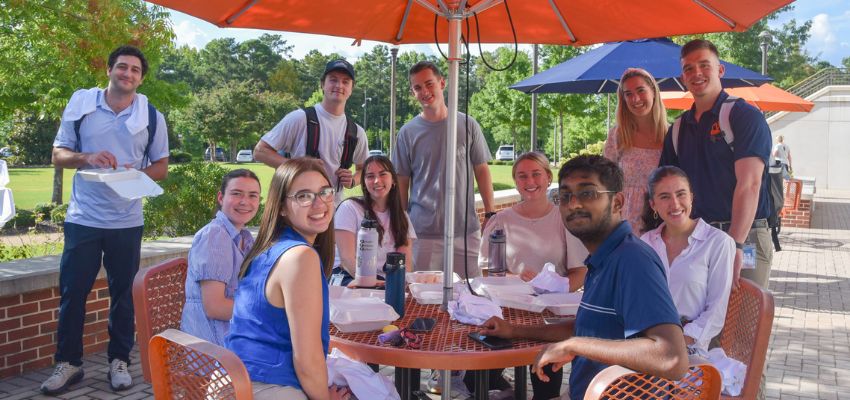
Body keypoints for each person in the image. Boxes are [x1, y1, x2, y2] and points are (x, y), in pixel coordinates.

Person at [479, 155, 688, 400]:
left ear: (617, 202)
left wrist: (575, 345)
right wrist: (513, 330)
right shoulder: (603, 257)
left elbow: (672, 358)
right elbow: (587, 327)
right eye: (565, 196)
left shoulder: (632, 260)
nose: (574, 204)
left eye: (587, 193)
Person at [42, 45, 169, 395]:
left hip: (127, 221)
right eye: (122, 67)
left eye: (135, 70)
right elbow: (58, 155)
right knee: (73, 294)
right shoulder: (83, 105)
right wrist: (87, 157)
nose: (127, 74)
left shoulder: (151, 114)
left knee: (123, 297)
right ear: (110, 70)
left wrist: (136, 173)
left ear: (140, 79)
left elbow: (161, 167)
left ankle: (119, 362)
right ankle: (68, 364)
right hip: (83, 218)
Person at [225, 158, 349, 400]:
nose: (319, 203)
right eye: (304, 196)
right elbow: (307, 360)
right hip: (266, 390)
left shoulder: (268, 248)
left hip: (235, 382)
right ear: (281, 207)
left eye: (325, 192)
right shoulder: (300, 257)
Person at [659, 39, 774, 289]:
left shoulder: (744, 116)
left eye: (704, 65)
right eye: (689, 68)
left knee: (743, 322)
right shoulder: (679, 128)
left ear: (720, 70)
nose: (696, 73)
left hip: (746, 237)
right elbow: (666, 188)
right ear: (682, 76)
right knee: (699, 320)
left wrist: (736, 245)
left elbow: (750, 184)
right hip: (698, 237)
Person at [392, 60, 495, 278]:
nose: (424, 91)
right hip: (423, 232)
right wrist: (401, 220)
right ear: (413, 92)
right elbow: (402, 180)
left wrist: (490, 211)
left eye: (429, 84)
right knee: (424, 295)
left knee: (469, 295)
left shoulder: (468, 125)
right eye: (417, 87)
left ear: (442, 83)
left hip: (464, 230)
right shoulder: (407, 132)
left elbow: (482, 169)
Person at [639, 166, 734, 355]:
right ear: (653, 205)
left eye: (681, 194)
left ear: (691, 197)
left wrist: (679, 341)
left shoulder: (717, 242)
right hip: (646, 343)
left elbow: (716, 311)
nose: (675, 204)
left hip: (689, 350)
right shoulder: (645, 243)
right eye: (664, 197)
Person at [253, 59, 368, 204]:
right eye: (333, 80)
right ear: (322, 84)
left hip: (334, 212)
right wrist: (299, 166)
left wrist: (352, 180)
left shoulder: (356, 132)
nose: (339, 85)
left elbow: (363, 168)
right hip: (298, 207)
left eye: (346, 81)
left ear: (351, 89)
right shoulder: (300, 118)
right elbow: (260, 151)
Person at [479, 151, 587, 290]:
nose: (530, 181)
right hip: (511, 302)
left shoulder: (566, 220)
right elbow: (488, 272)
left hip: (554, 305)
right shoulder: (499, 222)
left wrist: (552, 287)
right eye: (522, 176)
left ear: (548, 177)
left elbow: (580, 272)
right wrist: (520, 280)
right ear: (515, 181)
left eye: (536, 174)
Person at [180, 169, 261, 346]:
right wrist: (266, 313)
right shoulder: (215, 236)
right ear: (220, 198)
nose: (245, 201)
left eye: (253, 195)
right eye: (236, 193)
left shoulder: (244, 238)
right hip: (211, 349)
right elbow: (215, 307)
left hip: (234, 336)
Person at [331, 155, 416, 286]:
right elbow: (347, 260)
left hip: (383, 281)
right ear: (364, 182)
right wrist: (373, 284)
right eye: (370, 176)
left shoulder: (401, 216)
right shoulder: (349, 208)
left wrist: (397, 284)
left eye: (383, 174)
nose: (377, 180)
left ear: (393, 180)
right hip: (347, 275)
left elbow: (405, 264)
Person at [603, 67, 668, 234]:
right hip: (623, 221)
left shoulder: (671, 136)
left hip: (661, 219)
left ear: (653, 91)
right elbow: (605, 182)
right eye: (628, 94)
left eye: (640, 90)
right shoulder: (617, 136)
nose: (635, 98)